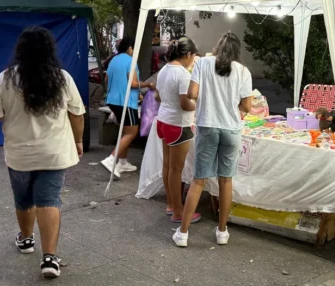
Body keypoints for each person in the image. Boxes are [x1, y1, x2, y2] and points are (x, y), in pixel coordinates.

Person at [0, 26, 85, 279]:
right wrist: (78, 141)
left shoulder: (4, 79)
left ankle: (26, 240)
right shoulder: (63, 78)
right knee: (49, 200)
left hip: (20, 155)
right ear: (50, 50)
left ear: (20, 50)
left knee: (24, 199)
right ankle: (50, 258)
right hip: (55, 153)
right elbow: (77, 114)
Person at [173, 32, 253, 247]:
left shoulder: (203, 63)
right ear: (237, 51)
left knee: (198, 181)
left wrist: (209, 97)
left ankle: (183, 233)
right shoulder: (243, 71)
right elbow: (246, 107)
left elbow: (191, 93)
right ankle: (222, 231)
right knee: (225, 181)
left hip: (207, 125)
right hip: (231, 128)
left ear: (218, 47)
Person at [154, 37, 201, 224]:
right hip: (178, 124)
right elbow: (185, 103)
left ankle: (171, 204)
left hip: (163, 121)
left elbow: (157, 96)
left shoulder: (164, 70)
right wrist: (197, 104)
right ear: (188, 54)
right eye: (194, 56)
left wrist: (170, 101)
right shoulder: (183, 74)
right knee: (176, 170)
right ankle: (178, 212)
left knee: (168, 166)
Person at [101, 37, 155, 177]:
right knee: (131, 132)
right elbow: (134, 84)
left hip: (112, 100)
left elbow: (107, 79)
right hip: (125, 102)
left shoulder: (114, 60)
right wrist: (148, 85)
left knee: (124, 131)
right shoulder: (130, 61)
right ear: (130, 48)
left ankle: (123, 162)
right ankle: (111, 159)